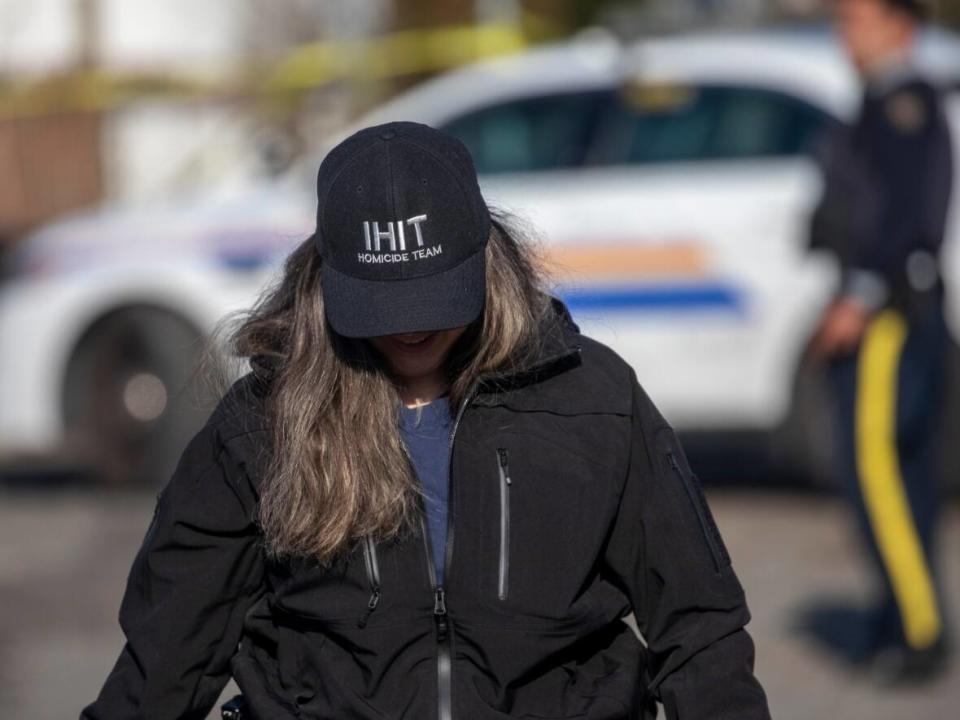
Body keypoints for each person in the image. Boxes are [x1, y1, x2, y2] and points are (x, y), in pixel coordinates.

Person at [81, 121, 770, 719]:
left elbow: (700, 626)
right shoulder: (261, 424)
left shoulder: (593, 397)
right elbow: (170, 651)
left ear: (485, 258)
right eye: (384, 306)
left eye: (436, 297)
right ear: (325, 281)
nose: (412, 330)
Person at [808, 0, 953, 683]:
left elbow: (907, 217)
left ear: (900, 26)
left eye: (856, 19)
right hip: (892, 310)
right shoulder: (881, 101)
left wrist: (858, 297)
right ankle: (902, 615)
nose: (844, 32)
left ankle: (917, 630)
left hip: (889, 318)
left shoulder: (903, 104)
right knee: (903, 477)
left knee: (882, 479)